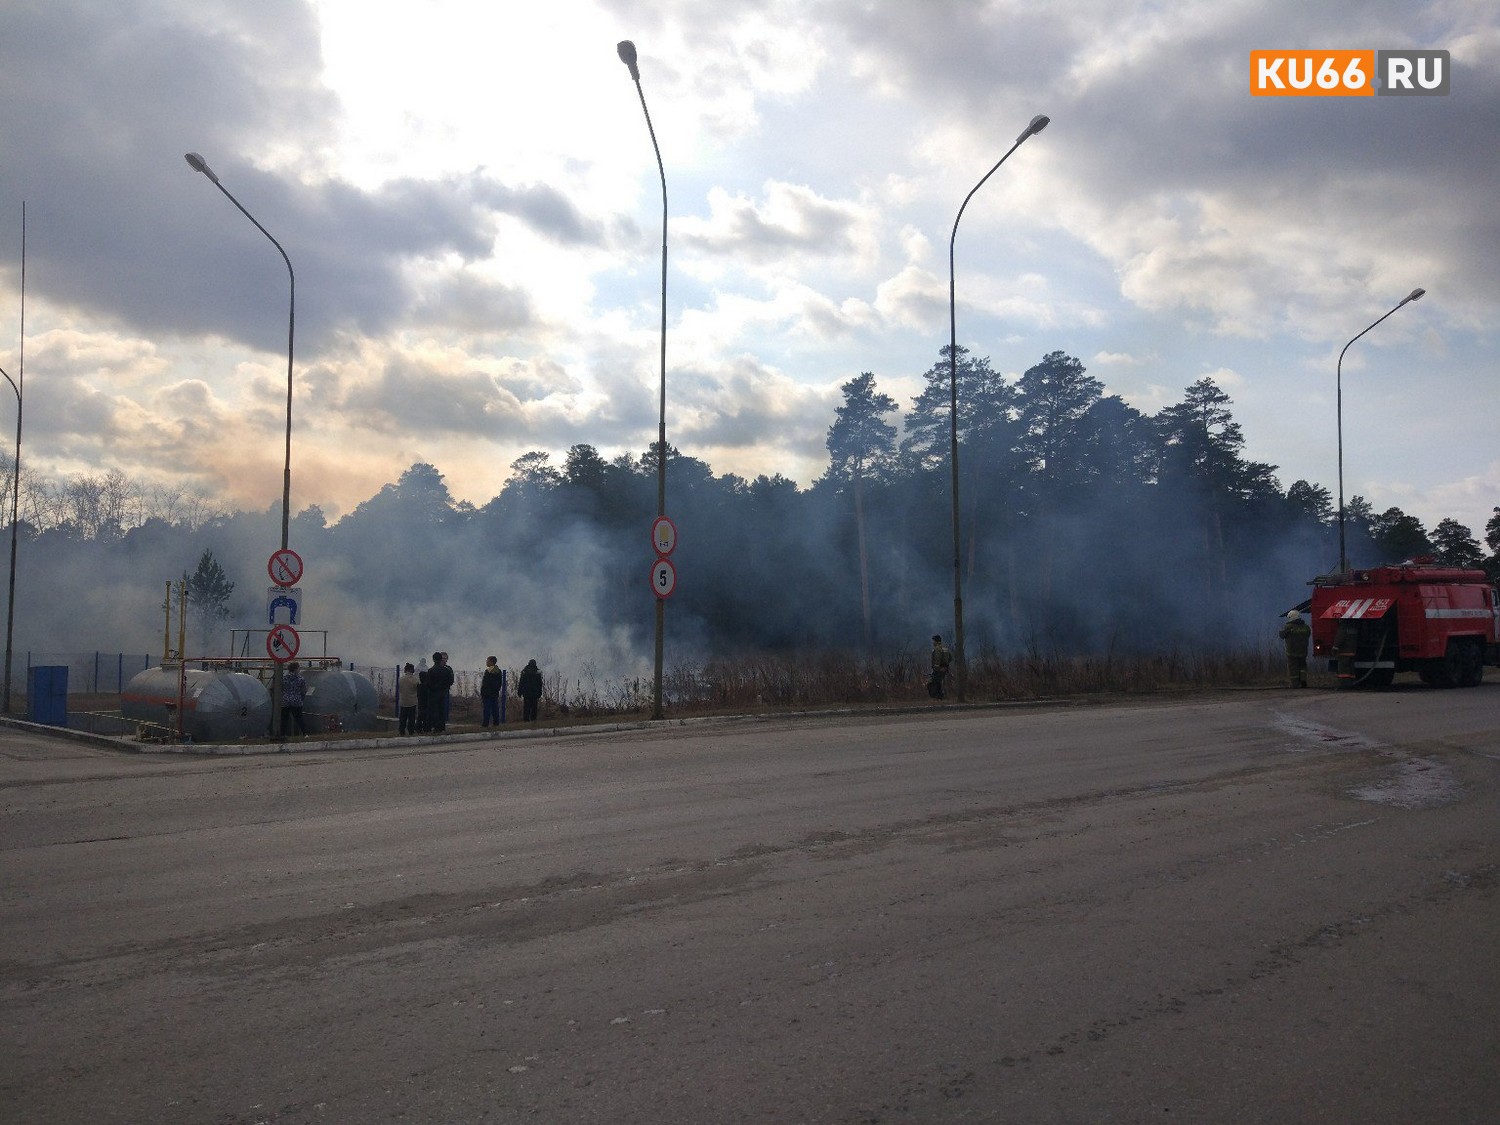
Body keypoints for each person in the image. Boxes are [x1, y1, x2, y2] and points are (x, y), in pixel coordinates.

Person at [1279, 609, 1312, 688]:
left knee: (1293, 668)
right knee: (1302, 667)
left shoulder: (1288, 627)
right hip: (1303, 651)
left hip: (1292, 652)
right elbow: (1308, 634)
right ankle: (1303, 680)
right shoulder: (1306, 627)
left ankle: (1294, 684)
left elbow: (1282, 635)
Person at [427, 651, 454, 732]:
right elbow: (450, 681)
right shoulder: (446, 670)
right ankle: (441, 727)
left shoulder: (431, 670)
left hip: (434, 693)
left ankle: (435, 726)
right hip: (443, 692)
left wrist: (433, 688)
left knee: (434, 710)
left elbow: (429, 683)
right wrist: (445, 687)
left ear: (434, 659)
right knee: (442, 710)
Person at [281, 660, 308, 736]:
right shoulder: (300, 679)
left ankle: (282, 734)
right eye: (298, 668)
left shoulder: (284, 678)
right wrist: (301, 698)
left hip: (285, 700)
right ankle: (304, 733)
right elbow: (304, 691)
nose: (299, 669)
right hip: (296, 701)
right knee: (299, 718)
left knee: (284, 719)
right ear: (296, 669)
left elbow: (280, 688)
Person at [480, 656, 503, 728]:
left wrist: (483, 692)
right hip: (495, 693)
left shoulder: (488, 671)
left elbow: (485, 683)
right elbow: (500, 683)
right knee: (495, 709)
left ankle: (485, 724)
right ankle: (496, 723)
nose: (486, 662)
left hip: (487, 693)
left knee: (487, 709)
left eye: (487, 661)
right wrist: (497, 690)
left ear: (491, 662)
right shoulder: (498, 671)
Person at [398, 662, 420, 735]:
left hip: (403, 701)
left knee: (402, 718)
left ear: (405, 670)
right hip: (412, 702)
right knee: (411, 718)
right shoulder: (415, 680)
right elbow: (418, 689)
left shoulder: (401, 679)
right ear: (412, 670)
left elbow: (400, 689)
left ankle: (402, 730)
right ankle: (411, 731)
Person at [928, 634, 952, 699]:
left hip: (938, 669)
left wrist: (936, 668)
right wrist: (946, 666)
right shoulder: (945, 648)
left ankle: (939, 696)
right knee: (940, 682)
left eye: (933, 641)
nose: (933, 642)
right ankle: (941, 696)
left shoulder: (937, 649)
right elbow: (950, 658)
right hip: (945, 668)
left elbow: (937, 659)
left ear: (936, 641)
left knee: (934, 682)